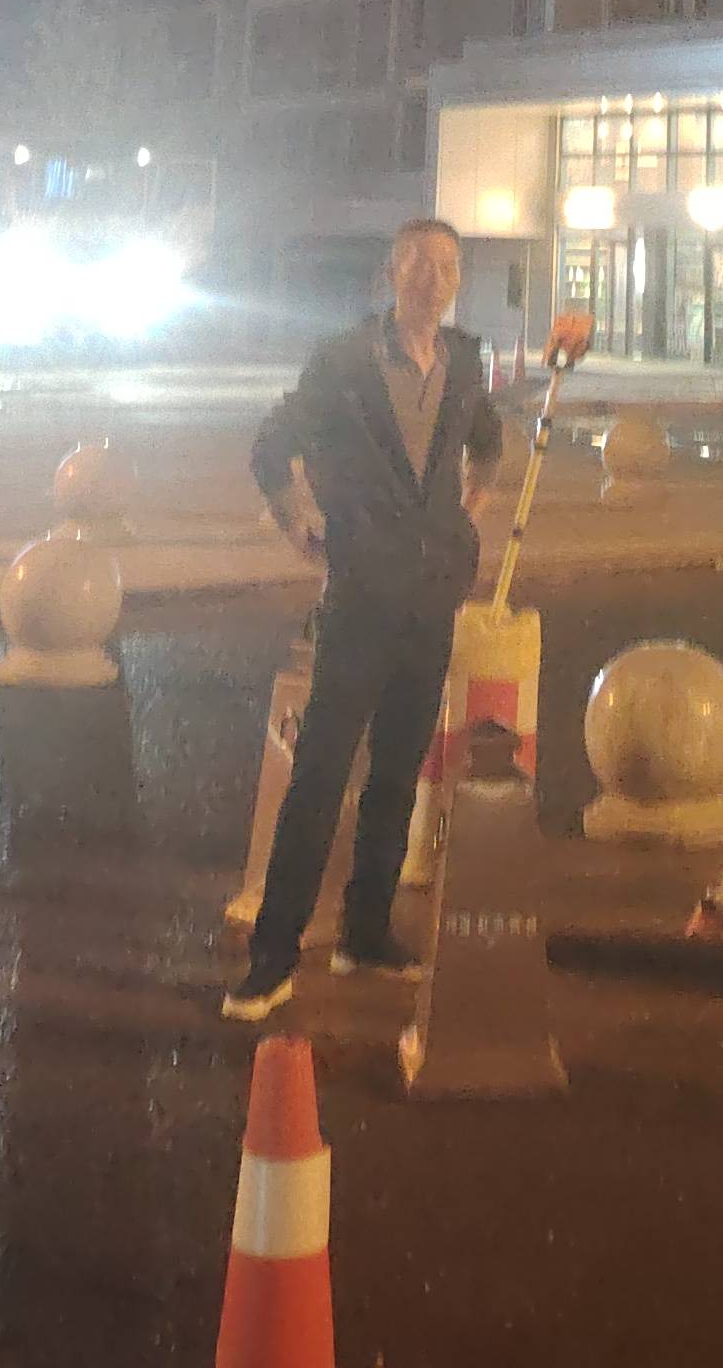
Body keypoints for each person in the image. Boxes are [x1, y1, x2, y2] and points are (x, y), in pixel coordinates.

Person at [222, 213, 504, 1021]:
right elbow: (270, 447)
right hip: (359, 595)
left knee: (398, 770)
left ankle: (366, 933)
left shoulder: (464, 361)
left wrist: (464, 518)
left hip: (429, 597)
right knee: (320, 772)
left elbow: (487, 445)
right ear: (390, 272)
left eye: (445, 264)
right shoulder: (343, 360)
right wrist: (296, 523)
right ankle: (273, 958)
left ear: (457, 280)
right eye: (416, 261)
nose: (430, 277)